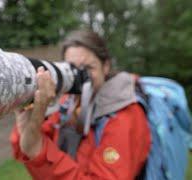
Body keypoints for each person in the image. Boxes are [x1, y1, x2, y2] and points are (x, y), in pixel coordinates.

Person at [10, 29, 151, 179]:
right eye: (72, 69)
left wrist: (37, 149)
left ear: (106, 66)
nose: (80, 77)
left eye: (88, 68)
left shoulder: (125, 115)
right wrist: (28, 126)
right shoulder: (68, 103)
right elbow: (27, 150)